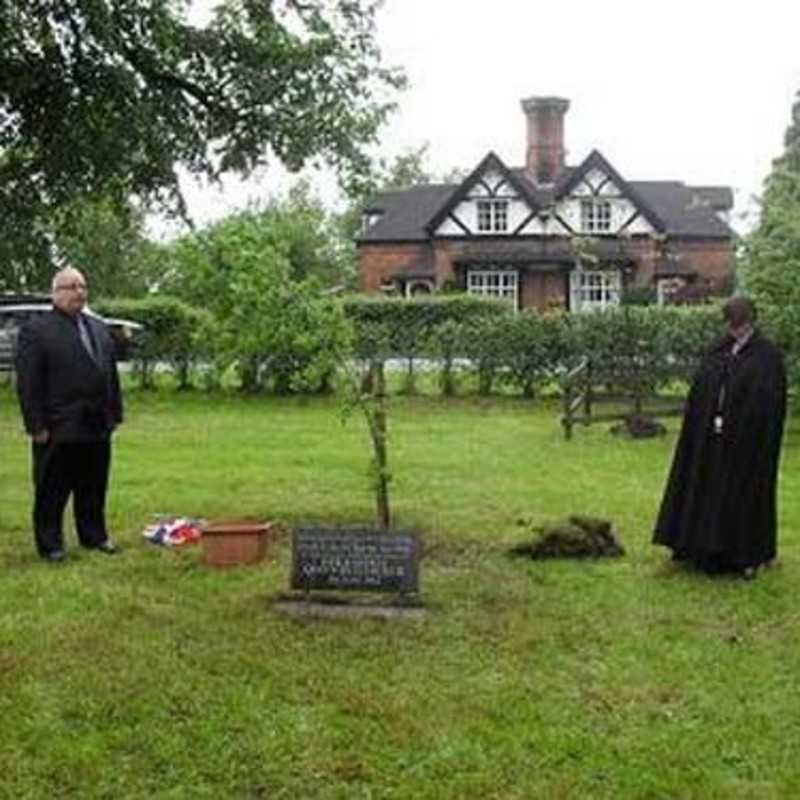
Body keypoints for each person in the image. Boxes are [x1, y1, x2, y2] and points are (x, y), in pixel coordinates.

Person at [653, 296, 787, 579]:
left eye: (740, 326)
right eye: (731, 325)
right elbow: (702, 391)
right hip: (711, 440)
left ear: (750, 322)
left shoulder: (767, 357)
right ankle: (699, 548)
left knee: (741, 494)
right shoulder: (718, 350)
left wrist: (743, 425)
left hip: (746, 444)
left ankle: (743, 554)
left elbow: (768, 403)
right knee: (705, 488)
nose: (735, 331)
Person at [15, 267, 123, 562]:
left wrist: (115, 414)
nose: (78, 292)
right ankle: (51, 545)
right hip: (57, 426)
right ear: (55, 293)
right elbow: (28, 383)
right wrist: (35, 425)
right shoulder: (37, 330)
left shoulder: (97, 327)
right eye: (70, 287)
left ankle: (94, 536)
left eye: (82, 286)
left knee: (93, 485)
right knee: (52, 489)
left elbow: (109, 374)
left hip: (97, 423)